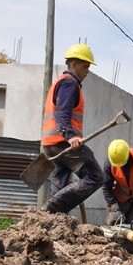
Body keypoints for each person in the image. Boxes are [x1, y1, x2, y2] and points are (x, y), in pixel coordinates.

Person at [41, 43, 105, 215]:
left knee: (59, 187)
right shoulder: (69, 83)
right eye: (85, 66)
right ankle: (48, 210)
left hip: (50, 144)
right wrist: (70, 136)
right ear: (73, 64)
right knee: (96, 177)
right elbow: (62, 112)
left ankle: (49, 223)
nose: (88, 71)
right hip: (63, 143)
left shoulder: (61, 82)